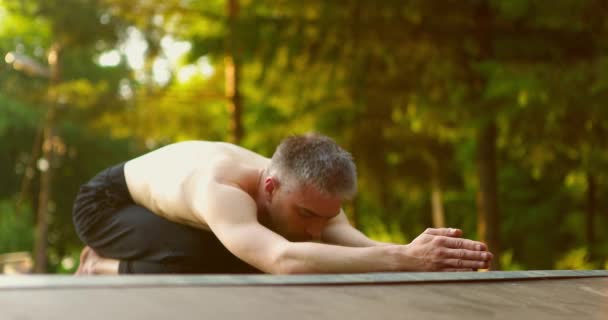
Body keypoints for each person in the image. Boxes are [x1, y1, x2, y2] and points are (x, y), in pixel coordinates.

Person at [73, 133, 493, 274]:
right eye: (307, 215)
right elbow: (283, 260)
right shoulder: (219, 188)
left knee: (253, 248)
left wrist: (420, 254)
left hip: (165, 204)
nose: (316, 227)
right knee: (227, 258)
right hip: (107, 204)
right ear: (270, 187)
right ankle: (100, 264)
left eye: (323, 216)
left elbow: (348, 239)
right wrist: (403, 259)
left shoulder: (311, 191)